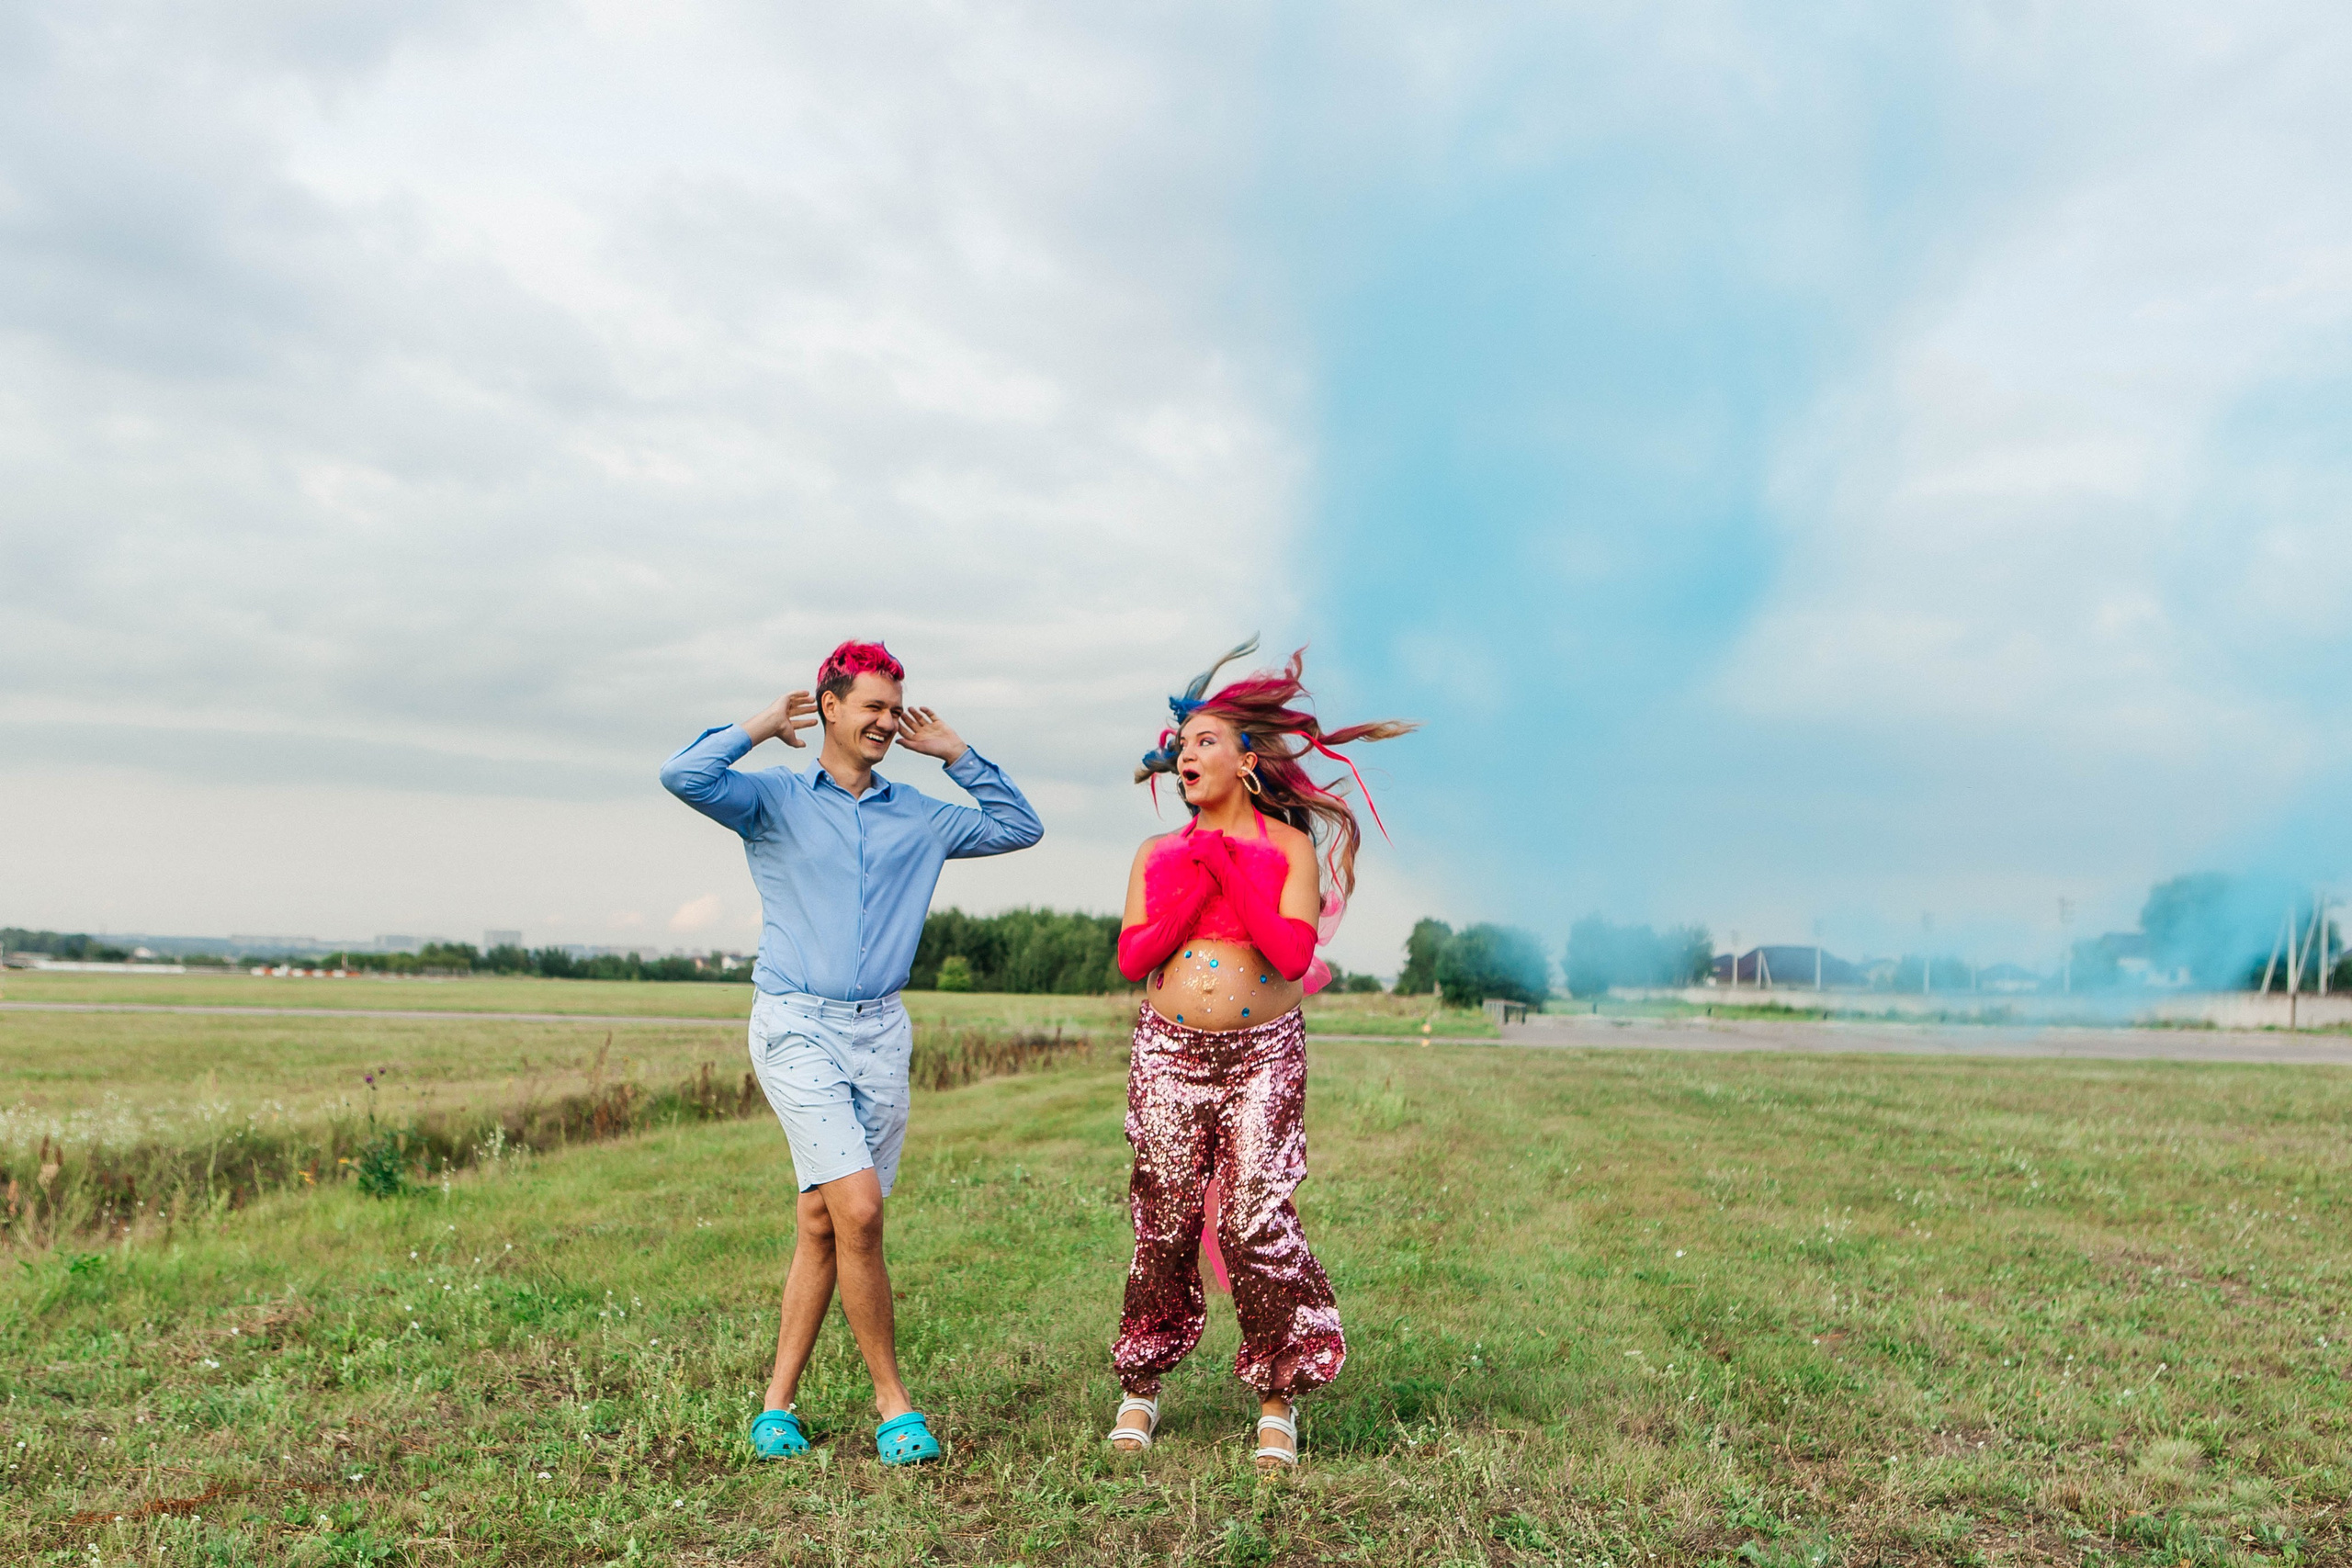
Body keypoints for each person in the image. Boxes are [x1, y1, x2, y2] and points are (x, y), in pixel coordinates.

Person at [659, 638, 1043, 1466]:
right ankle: (892, 1403)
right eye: (870, 704)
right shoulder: (771, 801)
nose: (885, 719)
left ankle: (777, 1404)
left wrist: (959, 756)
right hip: (796, 1022)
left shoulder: (922, 814)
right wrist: (759, 724)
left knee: (823, 1221)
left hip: (881, 1031)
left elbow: (1020, 825)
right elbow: (682, 774)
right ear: (828, 706)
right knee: (861, 1211)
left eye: (893, 706)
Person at [1104, 639, 1412, 1471]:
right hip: (1167, 1053)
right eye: (1182, 744)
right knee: (1163, 1218)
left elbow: (1285, 950)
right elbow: (1136, 959)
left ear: (1247, 760)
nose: (1185, 754)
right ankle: (1142, 1380)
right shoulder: (1158, 854)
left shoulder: (1288, 849)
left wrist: (1227, 867)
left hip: (1263, 1055)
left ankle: (1278, 1394)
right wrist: (1200, 870)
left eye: (1205, 740)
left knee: (1252, 1218)